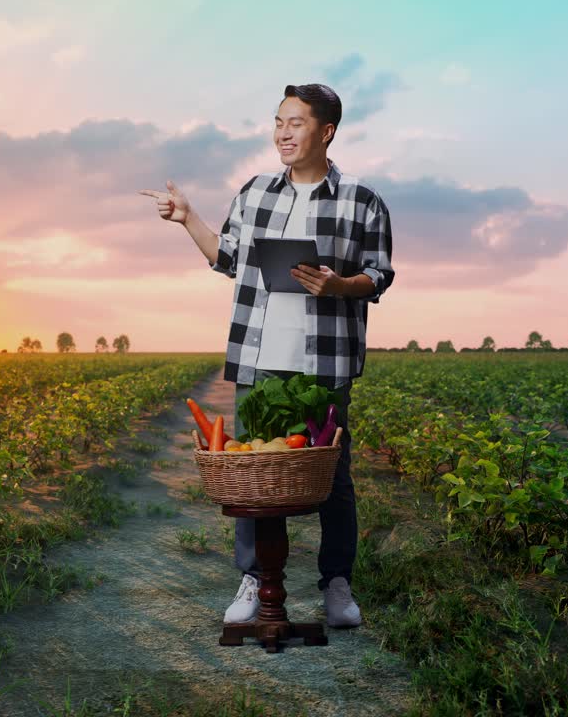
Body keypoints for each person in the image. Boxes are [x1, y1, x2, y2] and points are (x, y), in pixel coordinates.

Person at [138, 83, 394, 629]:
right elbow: (227, 258)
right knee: (251, 471)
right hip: (258, 355)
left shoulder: (362, 200)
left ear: (326, 131)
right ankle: (254, 579)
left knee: (333, 476)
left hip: (325, 363)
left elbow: (379, 276)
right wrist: (187, 218)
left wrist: (338, 285)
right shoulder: (254, 192)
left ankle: (336, 585)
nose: (282, 131)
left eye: (296, 122)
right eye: (278, 121)